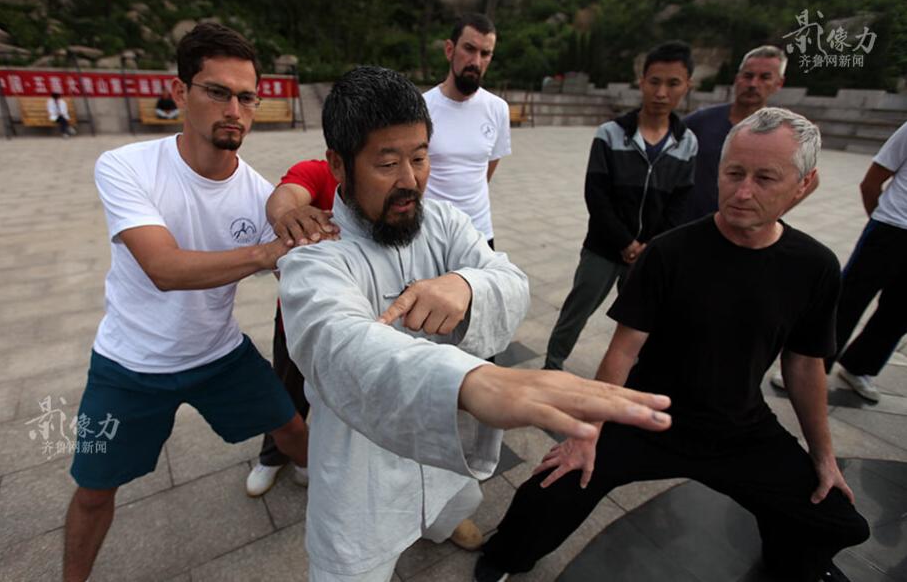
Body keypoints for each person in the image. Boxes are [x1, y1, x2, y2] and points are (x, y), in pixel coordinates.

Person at [277, 66, 675, 582]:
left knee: (450, 498)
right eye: (387, 163)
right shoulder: (315, 256)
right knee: (354, 563)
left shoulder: (441, 221)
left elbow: (510, 280)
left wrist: (465, 286)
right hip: (363, 469)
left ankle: (442, 521)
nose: (409, 181)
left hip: (443, 446)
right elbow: (338, 343)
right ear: (338, 164)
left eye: (420, 158)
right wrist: (470, 382)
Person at [476, 108, 869, 582]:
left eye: (765, 178)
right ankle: (505, 558)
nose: (743, 191)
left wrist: (823, 456)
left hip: (741, 428)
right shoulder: (670, 252)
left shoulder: (815, 266)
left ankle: (790, 561)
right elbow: (622, 351)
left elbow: (805, 365)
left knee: (836, 519)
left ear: (804, 185)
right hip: (646, 414)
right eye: (734, 173)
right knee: (551, 489)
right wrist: (588, 432)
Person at [61, 23, 309, 582]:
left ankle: (340, 497)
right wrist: (265, 251)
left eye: (246, 97)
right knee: (94, 491)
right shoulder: (126, 166)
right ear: (179, 92)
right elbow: (164, 269)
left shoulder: (259, 194)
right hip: (130, 364)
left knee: (295, 431)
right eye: (217, 92)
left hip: (219, 354)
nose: (234, 110)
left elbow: (295, 264)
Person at [543, 41, 698, 371]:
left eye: (673, 83)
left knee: (642, 320)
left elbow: (679, 203)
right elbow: (596, 196)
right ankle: (552, 365)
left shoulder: (687, 143)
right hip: (603, 247)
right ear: (641, 82)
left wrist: (650, 246)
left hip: (650, 254)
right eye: (654, 81)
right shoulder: (610, 134)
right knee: (577, 309)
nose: (661, 92)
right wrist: (625, 242)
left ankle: (635, 373)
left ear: (688, 85)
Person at [245, 158, 339, 496]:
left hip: (361, 325)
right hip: (299, 321)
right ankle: (274, 456)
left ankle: (328, 460)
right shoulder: (319, 171)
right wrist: (288, 217)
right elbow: (286, 195)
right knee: (287, 390)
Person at [683, 44, 821, 222]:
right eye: (748, 76)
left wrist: (768, 216)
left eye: (765, 77)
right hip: (692, 223)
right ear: (737, 78)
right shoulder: (701, 121)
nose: (753, 84)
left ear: (779, 83)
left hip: (741, 229)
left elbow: (811, 180)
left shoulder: (782, 134)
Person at [825, 120, 907, 402]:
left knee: (899, 312)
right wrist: (881, 221)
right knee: (848, 298)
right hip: (891, 228)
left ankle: (859, 366)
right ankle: (813, 363)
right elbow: (870, 183)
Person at [423, 13, 510, 249]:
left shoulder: (498, 109)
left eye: (485, 54)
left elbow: (486, 170)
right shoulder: (421, 108)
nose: (476, 61)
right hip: (430, 235)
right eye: (469, 49)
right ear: (449, 50)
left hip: (479, 234)